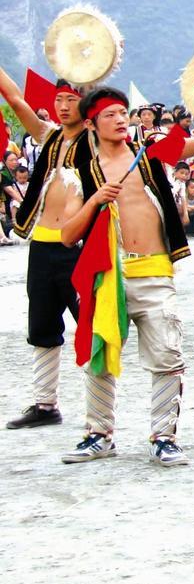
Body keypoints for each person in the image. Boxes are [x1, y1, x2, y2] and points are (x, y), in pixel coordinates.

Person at [57, 88, 194, 466]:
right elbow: (68, 234)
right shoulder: (82, 171)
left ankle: (163, 436)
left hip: (153, 269)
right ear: (90, 124)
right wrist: (96, 200)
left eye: (122, 112)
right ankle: (99, 433)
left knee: (167, 353)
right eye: (109, 115)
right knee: (100, 356)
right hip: (107, 274)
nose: (120, 119)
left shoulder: (151, 152)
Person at [0, 67, 86, 430]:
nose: (63, 106)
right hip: (42, 246)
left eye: (71, 100)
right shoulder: (50, 138)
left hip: (79, 248)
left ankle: (101, 414)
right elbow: (16, 100)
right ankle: (45, 404)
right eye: (59, 100)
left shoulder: (100, 144)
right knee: (42, 326)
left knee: (96, 328)